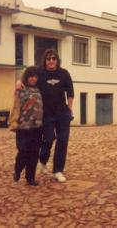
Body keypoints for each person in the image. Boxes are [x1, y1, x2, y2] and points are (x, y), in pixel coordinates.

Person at [16, 48, 74, 183]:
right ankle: (43, 159)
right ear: (45, 61)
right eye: (49, 59)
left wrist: (70, 109)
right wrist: (19, 82)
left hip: (62, 113)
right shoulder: (40, 73)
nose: (51, 61)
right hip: (46, 113)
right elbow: (27, 76)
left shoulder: (64, 73)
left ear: (57, 60)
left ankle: (58, 170)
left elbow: (70, 93)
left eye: (54, 58)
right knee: (49, 138)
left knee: (63, 141)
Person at [9, 66, 43, 186]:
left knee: (34, 154)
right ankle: (17, 171)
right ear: (26, 77)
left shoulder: (40, 89)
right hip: (23, 128)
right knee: (23, 151)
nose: (33, 78)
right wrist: (13, 122)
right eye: (31, 76)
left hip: (37, 128)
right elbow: (15, 106)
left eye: (35, 76)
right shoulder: (21, 89)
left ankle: (30, 178)